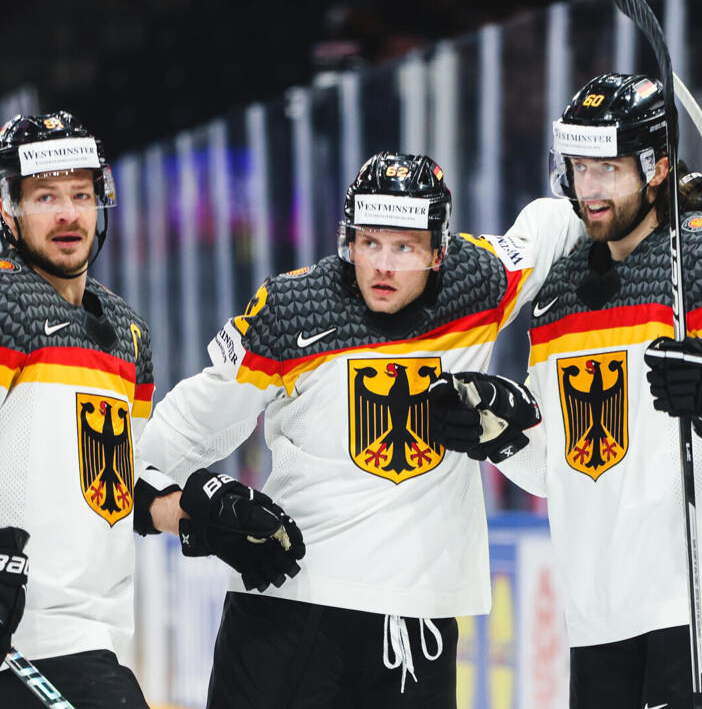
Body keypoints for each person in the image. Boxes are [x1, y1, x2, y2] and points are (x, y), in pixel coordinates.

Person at [136, 150, 585, 708]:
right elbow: (180, 430)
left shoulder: (481, 282)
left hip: (416, 620)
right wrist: (157, 495)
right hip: (289, 603)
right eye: (369, 242)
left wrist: (676, 197)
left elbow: (564, 218)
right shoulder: (293, 309)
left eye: (404, 246)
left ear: (439, 250)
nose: (383, 266)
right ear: (347, 238)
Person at [430, 73, 702, 706]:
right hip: (595, 620)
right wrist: (503, 437)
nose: (588, 190)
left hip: (699, 610)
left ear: (657, 167)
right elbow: (568, 468)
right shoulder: (560, 296)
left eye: (607, 169)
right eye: (578, 169)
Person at [0, 112, 304, 709]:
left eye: (81, 194)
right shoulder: (6, 303)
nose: (68, 214)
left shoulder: (125, 332)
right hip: (26, 640)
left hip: (94, 637)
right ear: (7, 209)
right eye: (45, 196)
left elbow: (111, 481)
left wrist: (196, 513)